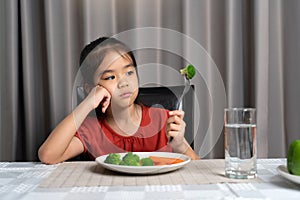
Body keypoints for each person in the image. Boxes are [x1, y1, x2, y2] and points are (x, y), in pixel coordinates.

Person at [38, 37, 200, 164]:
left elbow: (197, 170)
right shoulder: (91, 130)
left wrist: (180, 145)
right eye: (110, 77)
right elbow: (48, 156)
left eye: (129, 73)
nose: (124, 83)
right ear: (91, 88)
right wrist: (87, 103)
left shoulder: (163, 119)